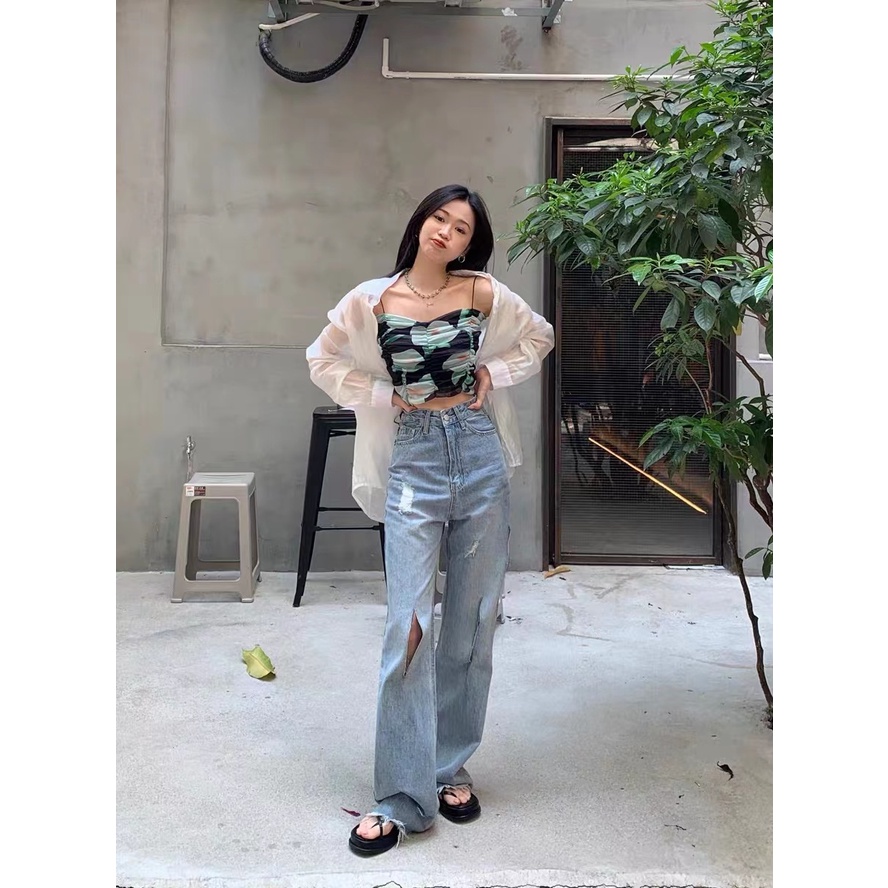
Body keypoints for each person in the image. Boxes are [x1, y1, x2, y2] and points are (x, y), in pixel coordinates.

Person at [306, 184, 554, 856]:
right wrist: (381, 393)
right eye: (440, 218)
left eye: (461, 227)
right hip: (413, 461)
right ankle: (400, 796)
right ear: (421, 222)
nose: (446, 231)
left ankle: (448, 767)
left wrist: (494, 372)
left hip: (477, 453)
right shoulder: (372, 299)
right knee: (407, 626)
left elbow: (538, 337)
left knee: (472, 621)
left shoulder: (482, 292)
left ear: (472, 243)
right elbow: (321, 359)